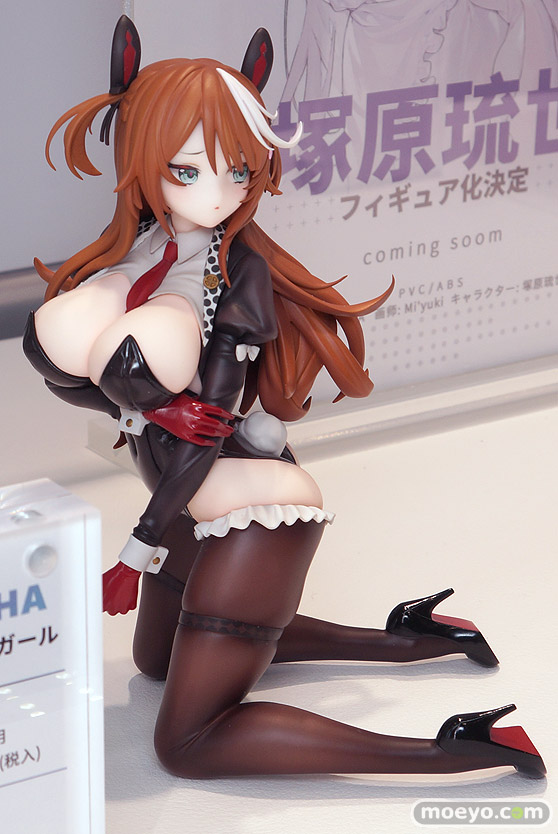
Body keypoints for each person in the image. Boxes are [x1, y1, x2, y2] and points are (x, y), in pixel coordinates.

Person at [24, 17, 545, 779]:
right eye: (188, 171)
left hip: (247, 508)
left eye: (238, 171)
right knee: (157, 661)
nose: (219, 194)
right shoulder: (129, 254)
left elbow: (206, 436)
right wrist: (149, 408)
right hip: (186, 500)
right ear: (138, 155)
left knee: (187, 744)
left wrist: (137, 549)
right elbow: (74, 375)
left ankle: (454, 747)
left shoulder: (240, 276)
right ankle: (404, 638)